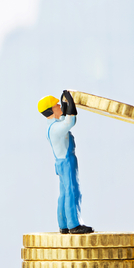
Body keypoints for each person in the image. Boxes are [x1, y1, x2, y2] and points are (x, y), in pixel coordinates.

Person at [38, 90, 93, 234]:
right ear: (51, 109)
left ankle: (63, 225)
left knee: (63, 193)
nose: (59, 106)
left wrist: (65, 106)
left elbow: (63, 120)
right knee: (72, 191)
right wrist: (71, 106)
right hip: (67, 163)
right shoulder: (56, 129)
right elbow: (70, 121)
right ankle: (74, 225)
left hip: (61, 162)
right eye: (57, 105)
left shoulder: (52, 126)